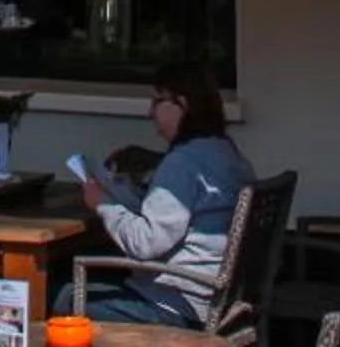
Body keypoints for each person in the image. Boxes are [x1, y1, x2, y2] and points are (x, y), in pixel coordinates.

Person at [69, 62, 258, 327]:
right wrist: (128, 194)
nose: (150, 112)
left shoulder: (183, 162)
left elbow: (145, 243)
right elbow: (178, 216)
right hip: (216, 303)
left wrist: (104, 205)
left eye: (157, 101)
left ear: (182, 104)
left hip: (175, 307)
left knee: (62, 297)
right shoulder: (228, 154)